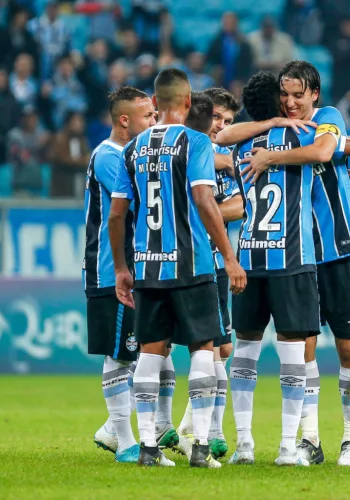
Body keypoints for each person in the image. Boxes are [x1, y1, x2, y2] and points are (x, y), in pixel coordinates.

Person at [217, 61, 350, 467]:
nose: (290, 102)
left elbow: (331, 150)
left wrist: (274, 157)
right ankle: (310, 438)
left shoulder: (327, 120)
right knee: (302, 351)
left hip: (338, 248)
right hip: (297, 255)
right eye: (284, 96)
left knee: (348, 346)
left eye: (297, 95)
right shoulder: (276, 130)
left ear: (314, 95)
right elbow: (227, 136)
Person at [109, 68, 246, 468]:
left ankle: (148, 447)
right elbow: (205, 200)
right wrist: (231, 257)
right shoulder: (196, 141)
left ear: (155, 103)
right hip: (191, 264)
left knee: (151, 352)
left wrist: (122, 268)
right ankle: (201, 445)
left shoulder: (132, 148)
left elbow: (117, 215)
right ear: (188, 103)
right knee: (204, 347)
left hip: (148, 267)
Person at [86, 86, 157, 463]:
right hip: (111, 270)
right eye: (148, 116)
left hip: (136, 268)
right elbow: (133, 206)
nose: (154, 121)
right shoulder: (111, 156)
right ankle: (127, 443)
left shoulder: (131, 154)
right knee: (121, 355)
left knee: (145, 351)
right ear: (124, 120)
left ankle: (113, 429)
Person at [176, 87, 243, 461]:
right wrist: (211, 210)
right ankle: (176, 430)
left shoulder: (223, 160)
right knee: (186, 347)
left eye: (229, 121)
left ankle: (199, 429)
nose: (221, 126)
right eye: (217, 117)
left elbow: (240, 205)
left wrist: (213, 209)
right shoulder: (187, 151)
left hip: (215, 263)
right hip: (184, 263)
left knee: (221, 347)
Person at [206, 12, 253, 89]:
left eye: (230, 22)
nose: (228, 24)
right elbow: (210, 60)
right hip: (220, 79)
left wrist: (241, 80)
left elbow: (247, 64)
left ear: (236, 23)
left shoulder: (243, 42)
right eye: (226, 22)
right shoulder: (216, 41)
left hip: (238, 80)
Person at [50, 111, 91, 198]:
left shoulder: (83, 140)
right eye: (76, 122)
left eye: (81, 122)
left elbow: (88, 158)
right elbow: (64, 159)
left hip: (79, 181)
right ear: (68, 123)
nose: (80, 125)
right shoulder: (60, 139)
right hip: (63, 182)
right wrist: (79, 161)